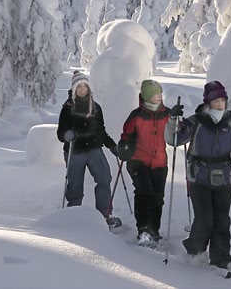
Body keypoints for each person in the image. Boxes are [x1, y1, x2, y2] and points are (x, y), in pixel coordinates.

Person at [165, 80, 231, 269]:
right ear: (208, 102)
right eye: (216, 100)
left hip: (224, 178)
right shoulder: (196, 122)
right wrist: (172, 120)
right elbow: (173, 139)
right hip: (199, 178)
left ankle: (220, 259)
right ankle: (194, 250)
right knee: (204, 220)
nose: (220, 104)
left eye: (222, 100)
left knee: (222, 221)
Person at [57, 71, 122, 229]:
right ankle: (73, 215)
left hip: (94, 148)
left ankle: (104, 215)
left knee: (104, 178)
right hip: (75, 151)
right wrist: (68, 135)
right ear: (74, 89)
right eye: (79, 87)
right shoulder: (67, 108)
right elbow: (60, 133)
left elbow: (101, 130)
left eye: (85, 86)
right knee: (75, 184)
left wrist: (112, 145)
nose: (82, 90)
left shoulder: (96, 108)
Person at [119, 79, 180, 246]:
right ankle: (143, 230)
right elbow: (126, 135)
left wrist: (175, 119)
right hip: (138, 160)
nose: (159, 96)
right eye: (155, 94)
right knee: (145, 191)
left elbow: (177, 133)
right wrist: (124, 146)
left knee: (158, 197)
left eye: (160, 93)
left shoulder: (167, 114)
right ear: (146, 97)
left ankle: (154, 229)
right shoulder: (137, 116)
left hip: (159, 162)